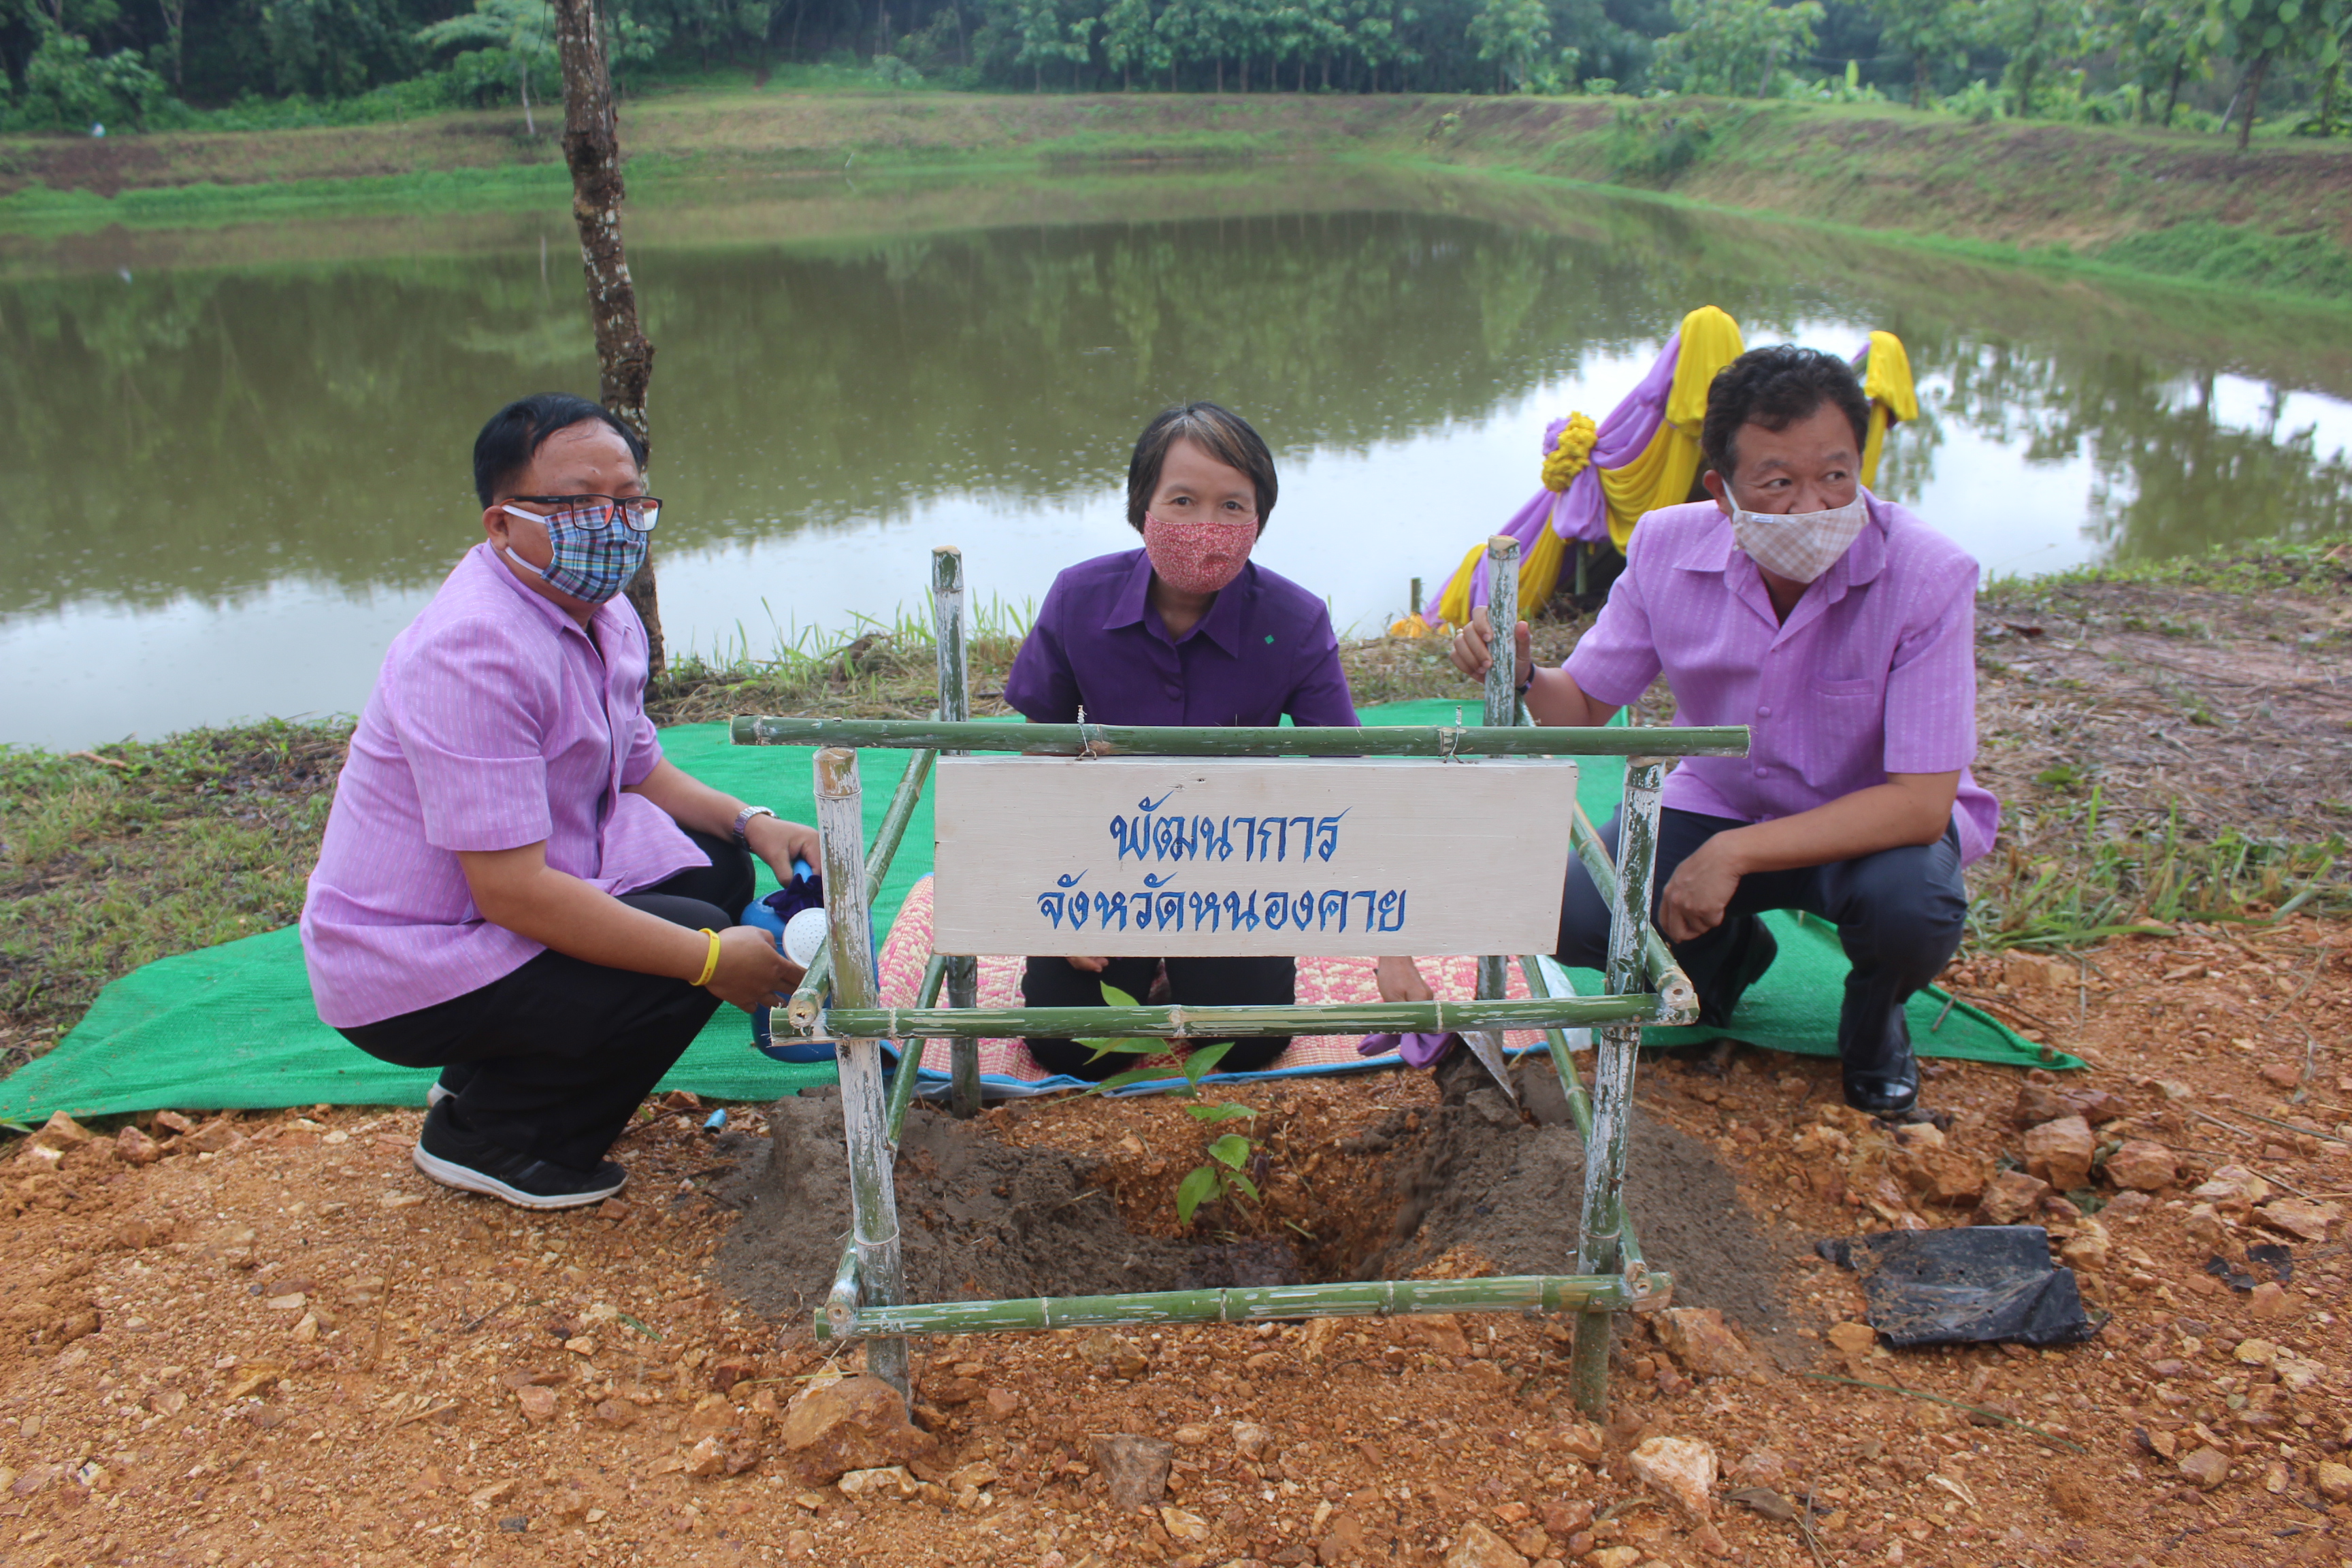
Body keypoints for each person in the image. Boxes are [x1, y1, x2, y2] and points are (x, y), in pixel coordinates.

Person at [1452, 346, 1997, 1116]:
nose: (1813, 508)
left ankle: (1875, 1029)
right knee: (1579, 917)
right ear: (1722, 490)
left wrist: (1731, 853)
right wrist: (1518, 675)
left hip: (1869, 823)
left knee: (1914, 909)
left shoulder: (1929, 576)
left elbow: (1919, 804)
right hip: (1721, 796)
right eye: (1778, 484)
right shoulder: (1665, 547)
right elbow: (1580, 707)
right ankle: (1727, 954)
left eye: (1836, 476)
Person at [301, 393, 815, 1209]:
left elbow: (641, 764)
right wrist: (714, 964)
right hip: (413, 961)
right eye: (575, 503)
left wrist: (757, 825)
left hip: (502, 909)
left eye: (627, 500)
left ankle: (483, 1073)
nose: (608, 523)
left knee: (715, 862)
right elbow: (508, 892)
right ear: (500, 523)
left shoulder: (602, 613)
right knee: (696, 945)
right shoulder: (474, 650)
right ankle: (497, 1136)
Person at [1004, 401, 1433, 1078]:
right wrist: (1058, 899)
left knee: (1248, 1039)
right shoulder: (1077, 599)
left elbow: (1348, 776)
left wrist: (1394, 945)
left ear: (1258, 522)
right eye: (1182, 500)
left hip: (1238, 864)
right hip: (1106, 858)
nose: (1208, 526)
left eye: (1233, 507)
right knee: (1068, 1042)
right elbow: (1040, 755)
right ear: (1141, 506)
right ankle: (1143, 967)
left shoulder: (1293, 620)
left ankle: (1180, 973)